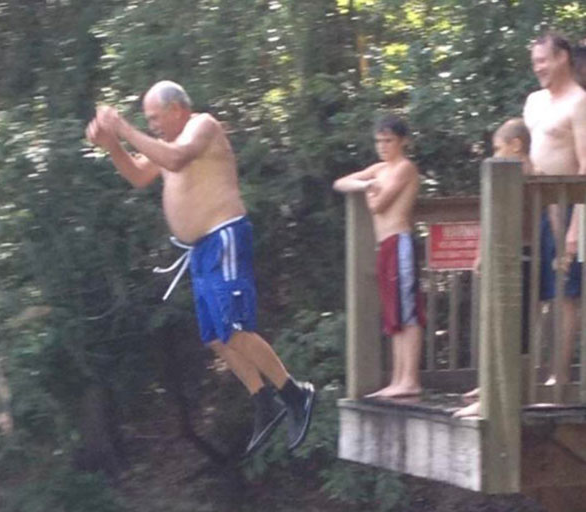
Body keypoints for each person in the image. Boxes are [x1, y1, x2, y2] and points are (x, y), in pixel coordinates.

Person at [85, 81, 315, 457]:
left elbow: (176, 159)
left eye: (155, 117)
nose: (152, 125)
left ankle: (295, 394)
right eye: (147, 120)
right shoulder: (166, 145)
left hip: (223, 235)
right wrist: (112, 144)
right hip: (200, 250)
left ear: (177, 108)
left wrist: (124, 128)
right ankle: (264, 401)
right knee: (215, 336)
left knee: (235, 328)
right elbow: (139, 175)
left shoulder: (201, 125)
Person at [333, 113, 424, 398]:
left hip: (401, 242)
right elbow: (341, 183)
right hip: (385, 245)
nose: (383, 146)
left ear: (403, 141)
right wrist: (365, 185)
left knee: (407, 310)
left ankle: (410, 379)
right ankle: (398, 379)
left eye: (389, 141)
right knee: (393, 310)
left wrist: (372, 191)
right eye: (379, 141)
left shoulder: (404, 168)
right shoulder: (379, 168)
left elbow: (379, 205)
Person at [454, 119, 534, 419]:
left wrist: (482, 253)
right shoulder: (526, 173)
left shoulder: (519, 173)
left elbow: (498, 218)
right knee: (507, 328)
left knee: (506, 329)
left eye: (498, 149)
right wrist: (480, 251)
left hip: (515, 259)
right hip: (514, 257)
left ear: (516, 144)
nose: (495, 156)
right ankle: (493, 388)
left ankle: (495, 396)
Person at [523, 32, 586, 387]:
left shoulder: (579, 103)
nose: (539, 68)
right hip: (534, 208)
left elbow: (584, 166)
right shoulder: (533, 102)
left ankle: (558, 378)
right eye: (535, 63)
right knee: (532, 289)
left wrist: (577, 227)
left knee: (565, 293)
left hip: (567, 209)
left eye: (544, 60)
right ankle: (521, 373)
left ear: (562, 57)